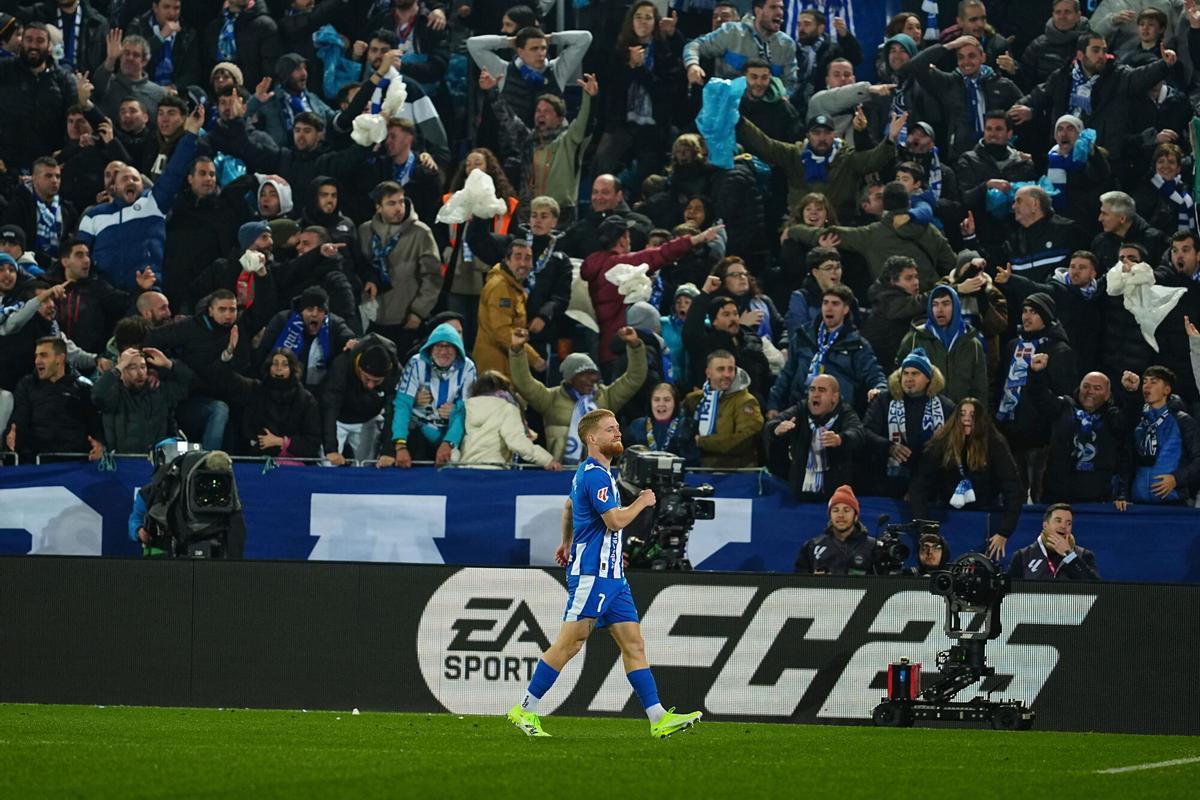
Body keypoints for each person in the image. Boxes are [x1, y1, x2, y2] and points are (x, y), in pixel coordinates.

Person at [506, 408, 702, 739]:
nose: (618, 434)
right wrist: (642, 501)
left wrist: (566, 541)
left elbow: (569, 506)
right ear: (591, 438)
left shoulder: (598, 473)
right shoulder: (596, 474)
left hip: (613, 577)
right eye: (610, 429)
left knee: (634, 644)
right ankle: (524, 708)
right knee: (571, 642)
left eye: (618, 428)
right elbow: (614, 521)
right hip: (592, 575)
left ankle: (657, 718)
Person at [508, 325, 647, 464]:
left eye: (593, 374)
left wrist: (635, 346)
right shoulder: (551, 399)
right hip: (561, 472)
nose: (592, 380)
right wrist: (517, 350)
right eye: (585, 375)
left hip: (597, 473)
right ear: (570, 378)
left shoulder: (606, 397)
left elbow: (634, 378)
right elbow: (523, 382)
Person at [909, 397, 1023, 559]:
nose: (967, 419)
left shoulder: (995, 444)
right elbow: (918, 486)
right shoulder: (941, 443)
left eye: (972, 415)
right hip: (947, 512)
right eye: (962, 414)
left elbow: (1013, 489)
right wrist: (926, 530)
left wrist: (1004, 532)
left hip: (985, 510)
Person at [770, 284, 885, 416]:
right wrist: (773, 403)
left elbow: (874, 373)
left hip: (838, 413)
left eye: (835, 304)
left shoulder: (857, 345)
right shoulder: (803, 336)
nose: (829, 308)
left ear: (846, 309)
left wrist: (879, 389)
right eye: (825, 303)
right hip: (800, 408)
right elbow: (787, 373)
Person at [1028, 356, 1129, 507]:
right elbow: (1040, 397)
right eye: (1086, 386)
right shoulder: (1063, 407)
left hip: (1097, 499)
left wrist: (1130, 393)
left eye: (1097, 388)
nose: (1090, 392)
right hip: (1057, 498)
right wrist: (1037, 374)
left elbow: (1129, 425)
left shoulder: (1112, 417)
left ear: (1108, 395)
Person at [356, 180, 441, 355]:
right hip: (372, 318)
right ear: (378, 207)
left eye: (401, 201)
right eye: (391, 203)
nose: (398, 208)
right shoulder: (365, 231)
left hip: (405, 320)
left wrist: (419, 312)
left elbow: (432, 277)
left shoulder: (420, 232)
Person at [861, 349, 955, 499]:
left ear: (928, 379)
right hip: (888, 482)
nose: (909, 378)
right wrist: (889, 447)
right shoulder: (884, 401)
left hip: (932, 484)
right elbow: (865, 432)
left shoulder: (946, 407)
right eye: (905, 373)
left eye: (915, 373)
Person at [764, 373, 864, 501]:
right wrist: (776, 429)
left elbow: (858, 433)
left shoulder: (845, 413)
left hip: (834, 497)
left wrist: (840, 439)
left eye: (822, 390)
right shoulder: (801, 409)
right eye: (812, 389)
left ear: (835, 397)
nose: (815, 394)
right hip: (799, 494)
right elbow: (771, 425)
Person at [466, 26, 592, 127]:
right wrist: (510, 42)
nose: (541, 53)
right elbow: (473, 44)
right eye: (534, 49)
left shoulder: (557, 69)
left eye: (543, 48)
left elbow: (585, 38)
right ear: (520, 51)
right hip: (515, 145)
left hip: (553, 143)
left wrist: (550, 38)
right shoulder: (503, 70)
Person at [390, 322, 476, 468]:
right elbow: (402, 404)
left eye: (448, 346)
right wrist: (400, 445)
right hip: (420, 429)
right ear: (430, 348)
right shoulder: (416, 364)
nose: (443, 351)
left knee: (455, 466)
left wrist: (448, 442)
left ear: (457, 349)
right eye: (439, 346)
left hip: (452, 434)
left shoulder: (468, 367)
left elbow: (464, 410)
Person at [9, 336, 103, 462]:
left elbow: (95, 425)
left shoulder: (83, 388)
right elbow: (19, 420)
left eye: (43, 355)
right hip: (36, 462)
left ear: (60, 358)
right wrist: (13, 434)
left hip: (75, 463)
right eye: (36, 356)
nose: (37, 361)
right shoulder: (27, 385)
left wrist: (99, 443)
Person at [897, 285, 989, 405]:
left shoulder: (973, 344)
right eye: (935, 304)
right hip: (925, 416)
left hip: (959, 417)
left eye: (945, 304)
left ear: (955, 306)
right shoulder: (914, 338)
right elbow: (899, 379)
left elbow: (980, 389)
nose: (939, 310)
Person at [91, 345, 193, 453]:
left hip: (156, 462)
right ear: (121, 372)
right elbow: (97, 394)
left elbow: (189, 384)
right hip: (122, 462)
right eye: (132, 368)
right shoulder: (114, 394)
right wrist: (118, 368)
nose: (140, 373)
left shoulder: (159, 391)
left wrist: (169, 364)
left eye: (143, 367)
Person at [682, 0, 797, 94]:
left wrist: (784, 96)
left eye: (781, 8)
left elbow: (790, 82)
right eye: (773, 7)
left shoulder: (787, 45)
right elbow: (695, 45)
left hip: (766, 111)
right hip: (727, 104)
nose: (780, 12)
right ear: (758, 11)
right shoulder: (731, 32)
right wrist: (692, 66)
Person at [1123, 365, 1200, 505]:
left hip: (1174, 504)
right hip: (1138, 504)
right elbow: (1126, 459)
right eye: (1145, 381)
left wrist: (1176, 479)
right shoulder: (1139, 423)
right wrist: (1123, 495)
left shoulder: (1183, 421)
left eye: (1153, 382)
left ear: (1167, 390)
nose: (1147, 386)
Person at [320, 334, 398, 467]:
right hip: (338, 420)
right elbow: (330, 407)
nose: (370, 385)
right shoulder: (342, 365)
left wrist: (388, 450)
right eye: (367, 378)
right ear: (359, 368)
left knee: (366, 465)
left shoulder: (394, 372)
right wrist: (331, 448)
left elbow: (393, 411)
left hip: (368, 420)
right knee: (327, 464)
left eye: (377, 381)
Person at [457, 369, 559, 470]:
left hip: (464, 472)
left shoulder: (465, 407)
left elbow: (453, 443)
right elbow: (517, 442)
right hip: (494, 473)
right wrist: (547, 460)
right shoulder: (507, 408)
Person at [472, 239, 543, 378]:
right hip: (495, 368)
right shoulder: (500, 287)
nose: (523, 263)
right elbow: (501, 331)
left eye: (528, 258)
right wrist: (533, 358)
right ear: (507, 260)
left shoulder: (513, 285)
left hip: (506, 363)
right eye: (517, 257)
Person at [681, 349, 763, 468]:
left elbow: (744, 440)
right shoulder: (695, 399)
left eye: (731, 369)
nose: (727, 374)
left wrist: (702, 442)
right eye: (721, 369)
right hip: (697, 469)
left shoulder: (746, 401)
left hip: (734, 473)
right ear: (708, 373)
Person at [860, 255, 926, 379]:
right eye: (909, 278)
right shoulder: (887, 300)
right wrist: (956, 289)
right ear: (893, 281)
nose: (916, 282)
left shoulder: (891, 297)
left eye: (916, 277)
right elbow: (919, 303)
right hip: (884, 371)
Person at [794, 484, 877, 575]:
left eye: (846, 510)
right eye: (835, 510)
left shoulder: (873, 547)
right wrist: (814, 581)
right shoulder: (812, 547)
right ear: (830, 515)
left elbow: (884, 585)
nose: (840, 515)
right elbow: (798, 583)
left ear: (856, 516)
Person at [1008, 503, 1101, 580]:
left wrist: (1069, 555)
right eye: (1058, 521)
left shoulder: (1084, 555)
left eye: (1068, 523)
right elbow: (1008, 593)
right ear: (1045, 525)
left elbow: (1096, 588)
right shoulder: (1022, 556)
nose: (1063, 526)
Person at [626, 381, 690, 456]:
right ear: (650, 403)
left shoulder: (685, 426)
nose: (661, 404)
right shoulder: (637, 427)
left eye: (667, 400)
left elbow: (692, 462)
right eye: (656, 400)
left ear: (675, 403)